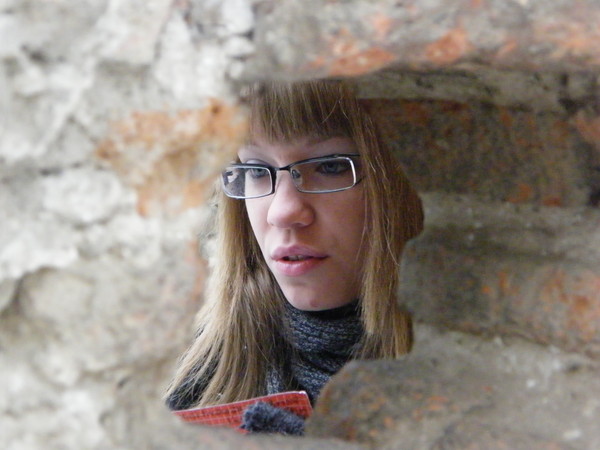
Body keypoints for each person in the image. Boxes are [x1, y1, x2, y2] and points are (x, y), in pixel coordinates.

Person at [165, 79, 423, 434]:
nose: (282, 212)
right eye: (257, 170)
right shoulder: (188, 383)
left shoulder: (474, 381)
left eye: (329, 166)